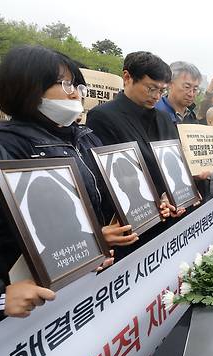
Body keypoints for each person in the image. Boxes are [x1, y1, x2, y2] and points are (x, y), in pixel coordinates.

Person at [0, 46, 124, 318]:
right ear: (27, 86)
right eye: (66, 83)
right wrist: (1, 296)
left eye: (78, 85)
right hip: (29, 308)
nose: (75, 93)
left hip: (83, 285)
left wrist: (96, 241)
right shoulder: (6, 147)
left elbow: (104, 198)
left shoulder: (84, 136)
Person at [86, 51, 186, 258]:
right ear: (127, 77)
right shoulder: (103, 116)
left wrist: (175, 194)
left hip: (168, 214)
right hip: (133, 219)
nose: (157, 96)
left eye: (162, 90)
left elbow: (172, 161)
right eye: (151, 88)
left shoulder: (164, 118)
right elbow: (112, 174)